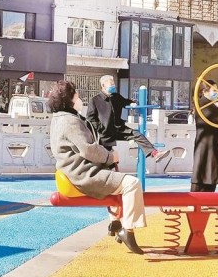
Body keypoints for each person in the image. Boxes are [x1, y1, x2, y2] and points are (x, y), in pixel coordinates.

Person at [48, 80, 146, 254]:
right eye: (76, 95)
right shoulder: (70, 121)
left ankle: (115, 221)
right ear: (68, 99)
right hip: (84, 174)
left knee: (114, 178)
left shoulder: (59, 118)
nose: (79, 98)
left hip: (75, 170)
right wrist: (110, 156)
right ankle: (128, 230)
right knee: (132, 183)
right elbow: (88, 149)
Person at [87, 75, 170, 164]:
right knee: (107, 158)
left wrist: (131, 103)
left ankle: (155, 154)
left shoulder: (116, 96)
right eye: (111, 84)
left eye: (113, 84)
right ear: (103, 85)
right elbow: (90, 118)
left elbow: (125, 101)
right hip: (105, 133)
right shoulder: (95, 100)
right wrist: (101, 128)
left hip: (119, 129)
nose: (113, 86)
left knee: (137, 134)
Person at [191, 80, 218, 192]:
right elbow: (217, 119)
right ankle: (194, 198)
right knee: (202, 173)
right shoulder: (202, 104)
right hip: (206, 143)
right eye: (214, 90)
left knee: (212, 172)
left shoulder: (211, 104)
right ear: (205, 91)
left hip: (213, 142)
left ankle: (207, 197)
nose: (217, 93)